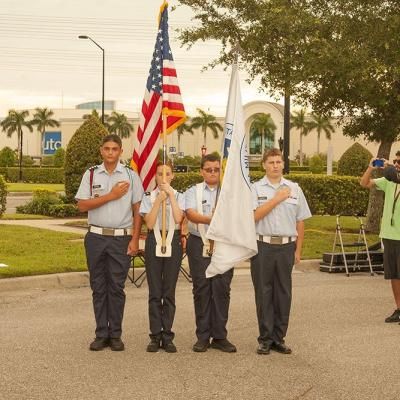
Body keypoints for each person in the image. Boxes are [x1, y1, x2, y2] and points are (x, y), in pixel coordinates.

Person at [75, 134, 143, 351]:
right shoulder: (92, 174)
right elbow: (82, 206)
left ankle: (115, 334)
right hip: (95, 237)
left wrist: (134, 239)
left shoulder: (131, 176)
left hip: (121, 238)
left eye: (115, 149)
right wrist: (111, 195)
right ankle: (100, 333)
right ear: (101, 150)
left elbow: (137, 211)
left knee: (116, 287)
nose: (110, 152)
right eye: (107, 148)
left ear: (121, 151)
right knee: (98, 286)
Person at [251, 148, 311, 355]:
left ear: (283, 164)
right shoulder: (255, 188)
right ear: (264, 165)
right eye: (271, 162)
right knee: (264, 292)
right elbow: (253, 217)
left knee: (284, 293)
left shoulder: (295, 189)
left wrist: (298, 250)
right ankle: (265, 339)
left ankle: (279, 338)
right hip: (263, 246)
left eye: (278, 162)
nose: (275, 165)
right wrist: (276, 199)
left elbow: (300, 221)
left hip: (286, 246)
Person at [185, 154, 237, 353]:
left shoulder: (229, 193)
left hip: (224, 245)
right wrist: (212, 220)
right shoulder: (193, 191)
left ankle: (220, 336)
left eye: (216, 169)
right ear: (201, 171)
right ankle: (203, 336)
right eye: (209, 169)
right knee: (202, 290)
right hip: (199, 243)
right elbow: (190, 214)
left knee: (222, 290)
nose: (213, 172)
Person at [139, 162, 185, 353]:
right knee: (155, 291)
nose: (163, 177)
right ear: (155, 177)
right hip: (154, 241)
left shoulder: (180, 196)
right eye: (160, 174)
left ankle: (167, 335)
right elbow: (149, 224)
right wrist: (158, 201)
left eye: (167, 174)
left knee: (169, 291)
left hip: (172, 240)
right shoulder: (148, 197)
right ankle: (155, 335)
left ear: (173, 176)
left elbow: (178, 218)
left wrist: (171, 197)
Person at [360, 151, 400, 323]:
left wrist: (390, 167)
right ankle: (399, 309)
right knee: (394, 274)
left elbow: (394, 174)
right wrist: (371, 168)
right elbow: (364, 183)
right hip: (389, 235)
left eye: (399, 161)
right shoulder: (389, 182)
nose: (397, 163)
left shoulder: (393, 177)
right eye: (396, 161)